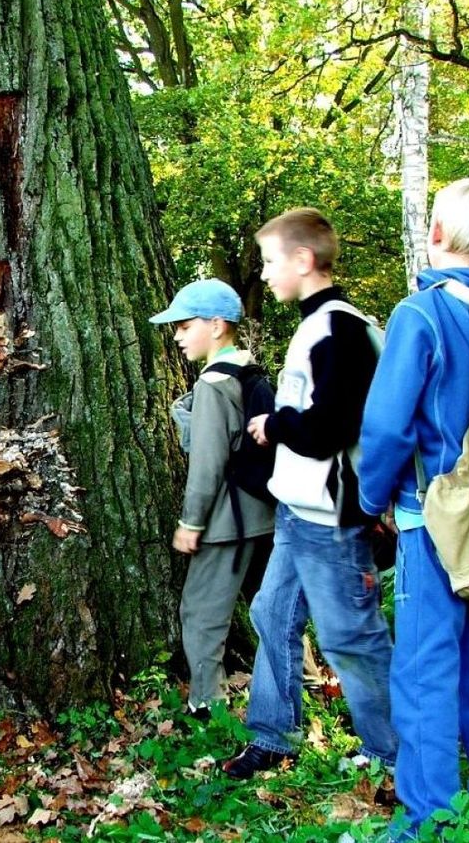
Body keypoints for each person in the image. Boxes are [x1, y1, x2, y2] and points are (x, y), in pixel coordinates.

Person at [357, 178, 469, 837]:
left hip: (430, 518)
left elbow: (385, 426)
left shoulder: (420, 314)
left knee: (424, 665)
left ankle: (429, 814)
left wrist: (370, 498)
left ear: (435, 233)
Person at [225, 208, 396, 780]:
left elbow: (333, 427)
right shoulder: (316, 323)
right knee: (271, 611)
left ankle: (394, 752)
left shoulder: (339, 327)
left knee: (350, 635)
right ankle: (273, 734)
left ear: (304, 260)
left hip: (332, 517)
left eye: (272, 261)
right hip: (299, 511)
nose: (266, 273)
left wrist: (275, 426)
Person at [148, 279, 275, 715]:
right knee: (272, 612)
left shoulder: (213, 384)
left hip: (227, 522)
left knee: (201, 614)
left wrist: (191, 523)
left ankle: (207, 709)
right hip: (265, 515)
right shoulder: (249, 371)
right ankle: (313, 688)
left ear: (217, 325)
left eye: (185, 326)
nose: (178, 336)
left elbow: (207, 465)